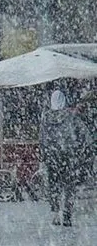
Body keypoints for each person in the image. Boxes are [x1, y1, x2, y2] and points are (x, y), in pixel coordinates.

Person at [40, 90, 91, 227]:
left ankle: (56, 213)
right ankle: (67, 214)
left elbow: (42, 138)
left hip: (52, 156)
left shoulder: (46, 117)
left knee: (53, 185)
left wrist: (44, 153)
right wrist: (81, 149)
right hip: (69, 156)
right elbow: (84, 135)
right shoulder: (71, 116)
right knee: (69, 185)